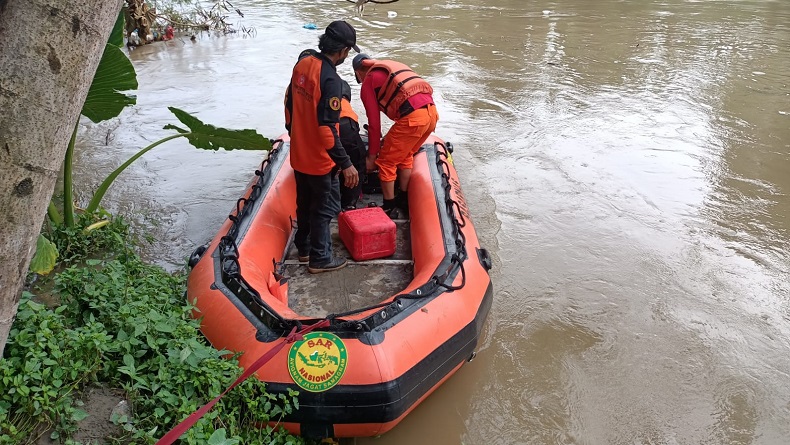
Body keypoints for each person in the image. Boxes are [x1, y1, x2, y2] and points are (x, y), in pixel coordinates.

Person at [284, 20, 360, 273]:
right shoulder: (331, 80)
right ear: (343, 51)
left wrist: (294, 135)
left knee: (304, 204)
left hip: (299, 154)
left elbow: (289, 106)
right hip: (319, 160)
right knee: (323, 209)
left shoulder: (303, 65)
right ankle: (321, 258)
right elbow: (327, 127)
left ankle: (304, 249)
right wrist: (345, 163)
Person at [351, 54, 439, 218]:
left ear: (358, 73)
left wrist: (372, 157)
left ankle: (389, 207)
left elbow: (374, 125)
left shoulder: (369, 81)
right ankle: (403, 199)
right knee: (405, 156)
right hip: (431, 114)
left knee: (385, 162)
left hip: (413, 118)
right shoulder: (390, 69)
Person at [338, 79, 366, 210]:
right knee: (358, 162)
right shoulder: (346, 108)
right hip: (345, 128)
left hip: (322, 129)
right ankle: (349, 204)